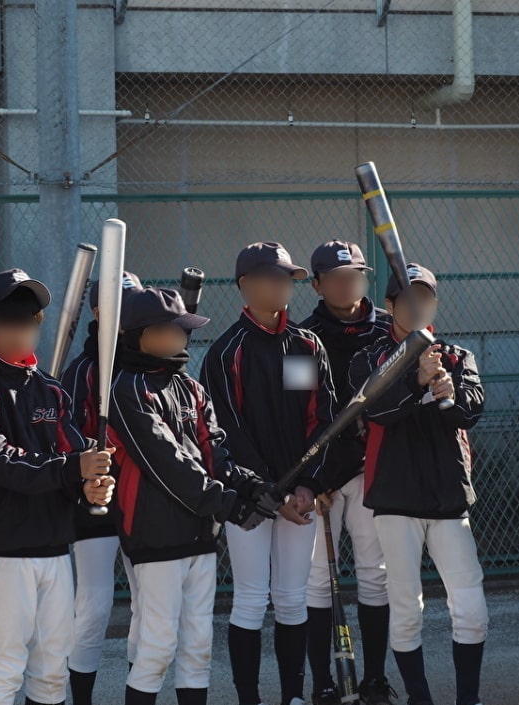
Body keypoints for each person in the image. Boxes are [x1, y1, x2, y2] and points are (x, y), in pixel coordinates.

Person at [108, 286, 280, 705]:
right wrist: (229, 505)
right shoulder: (127, 390)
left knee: (198, 647)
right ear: (139, 335)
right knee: (158, 647)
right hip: (155, 537)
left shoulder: (191, 387)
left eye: (182, 329)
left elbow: (214, 454)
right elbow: (168, 464)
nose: (180, 337)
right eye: (168, 329)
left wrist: (250, 484)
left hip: (200, 533)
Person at [0, 269, 114, 705]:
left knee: (50, 671)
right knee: (4, 666)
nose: (21, 330)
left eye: (29, 320)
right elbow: (1, 463)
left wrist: (91, 487)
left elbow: (74, 458)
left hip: (55, 547)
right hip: (2, 550)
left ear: (41, 323)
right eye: (8, 321)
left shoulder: (51, 391)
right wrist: (73, 470)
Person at [202, 242, 336, 705]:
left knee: (293, 598)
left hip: (298, 497)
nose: (284, 286)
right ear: (245, 285)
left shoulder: (303, 345)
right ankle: (248, 699)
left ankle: (292, 697)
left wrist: (308, 483)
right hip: (247, 499)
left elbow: (316, 419)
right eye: (273, 277)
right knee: (251, 599)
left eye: (288, 278)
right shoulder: (227, 353)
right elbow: (227, 433)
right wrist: (266, 491)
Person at [349, 263, 487, 705]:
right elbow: (376, 410)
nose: (417, 305)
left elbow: (468, 412)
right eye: (407, 298)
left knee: (470, 606)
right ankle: (419, 697)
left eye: (425, 297)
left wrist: (445, 391)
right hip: (395, 497)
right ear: (389, 307)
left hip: (448, 495)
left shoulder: (457, 355)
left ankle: (469, 698)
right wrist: (415, 379)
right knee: (407, 607)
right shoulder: (369, 357)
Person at [301, 240, 395, 705]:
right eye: (335, 277)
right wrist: (309, 477)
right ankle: (322, 681)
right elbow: (296, 409)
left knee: (376, 575)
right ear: (317, 284)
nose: (346, 283)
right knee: (318, 579)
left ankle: (375, 678)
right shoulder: (301, 338)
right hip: (322, 476)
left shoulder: (387, 329)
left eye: (355, 274)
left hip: (373, 466)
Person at [60, 271, 143, 705]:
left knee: (147, 606)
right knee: (93, 608)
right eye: (118, 307)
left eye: (134, 306)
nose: (128, 317)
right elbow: (68, 434)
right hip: (94, 503)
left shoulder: (149, 367)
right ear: (97, 313)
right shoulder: (83, 371)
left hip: (144, 501)